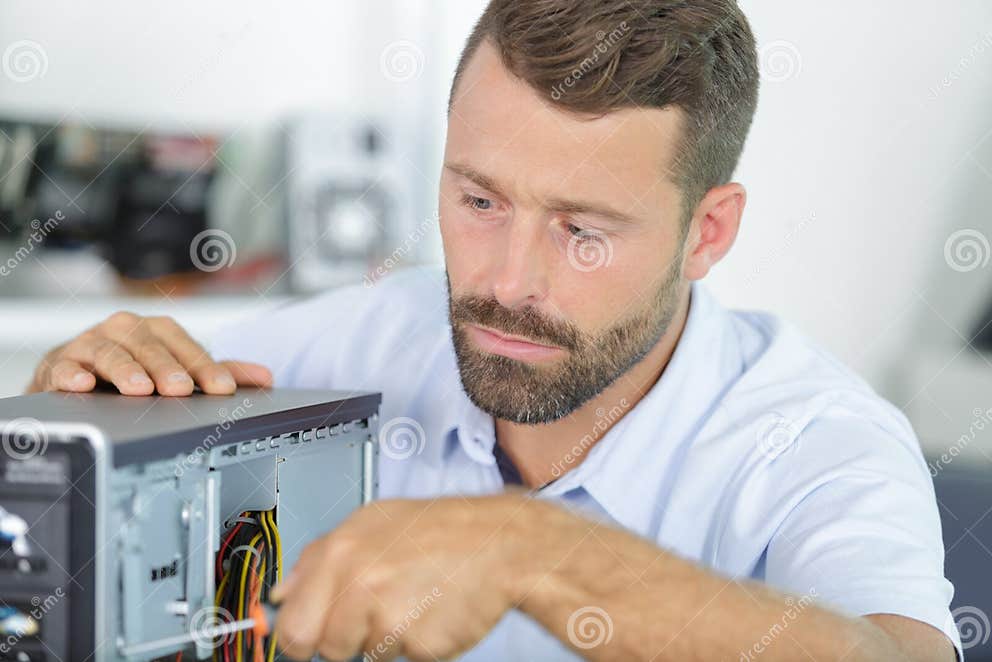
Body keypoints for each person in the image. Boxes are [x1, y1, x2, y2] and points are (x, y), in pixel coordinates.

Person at [28, 1, 960, 660]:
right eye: (479, 199)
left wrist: (539, 553)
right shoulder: (352, 347)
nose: (507, 282)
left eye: (582, 230)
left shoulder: (818, 443)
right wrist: (67, 432)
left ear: (707, 232)